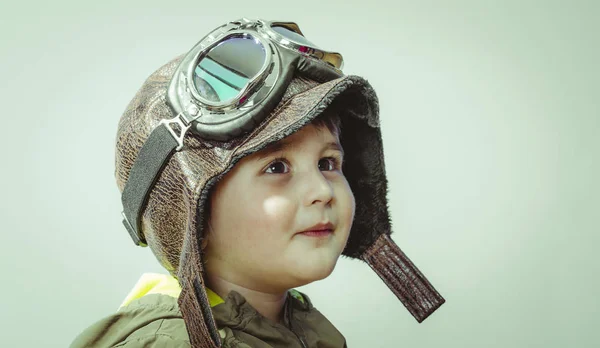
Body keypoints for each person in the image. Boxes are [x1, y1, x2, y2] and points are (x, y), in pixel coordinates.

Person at [70, 18, 445, 348]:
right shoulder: (164, 344)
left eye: (328, 163)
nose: (321, 191)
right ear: (191, 214)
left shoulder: (300, 328)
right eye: (277, 167)